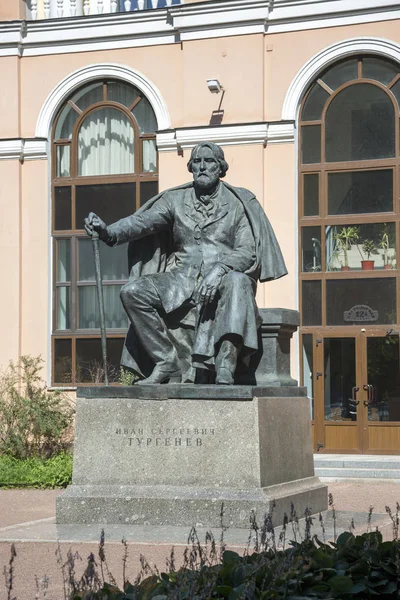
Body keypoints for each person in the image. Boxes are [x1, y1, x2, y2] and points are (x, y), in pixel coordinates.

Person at [84, 142, 287, 384]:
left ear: (221, 168)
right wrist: (108, 231)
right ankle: (166, 362)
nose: (202, 167)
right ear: (191, 167)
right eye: (197, 162)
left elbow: (247, 250)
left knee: (238, 281)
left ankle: (225, 363)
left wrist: (220, 270)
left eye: (209, 161)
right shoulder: (175, 200)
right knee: (133, 292)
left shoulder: (237, 203)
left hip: (224, 277)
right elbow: (141, 222)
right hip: (181, 278)